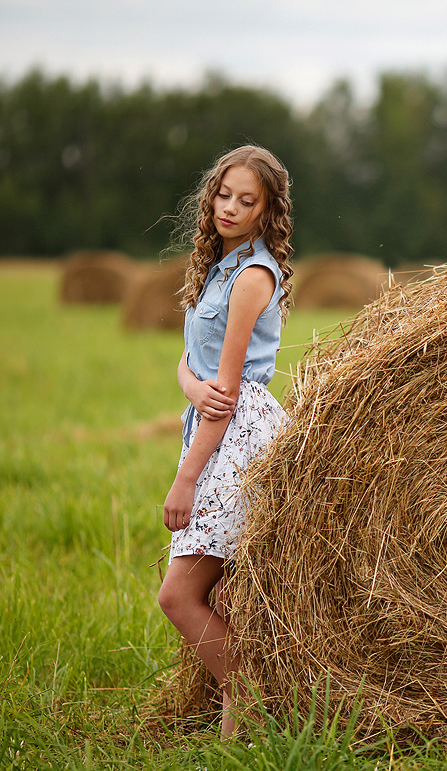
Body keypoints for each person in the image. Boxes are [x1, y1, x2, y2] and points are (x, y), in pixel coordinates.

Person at [156, 144, 294, 738]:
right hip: (215, 425)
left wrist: (185, 478)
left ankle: (252, 698)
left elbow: (227, 392)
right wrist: (188, 383)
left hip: (235, 440)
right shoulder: (219, 267)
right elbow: (190, 366)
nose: (230, 208)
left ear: (267, 213)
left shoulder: (252, 276)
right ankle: (238, 731)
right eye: (224, 195)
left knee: (178, 596)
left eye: (247, 201)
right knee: (219, 590)